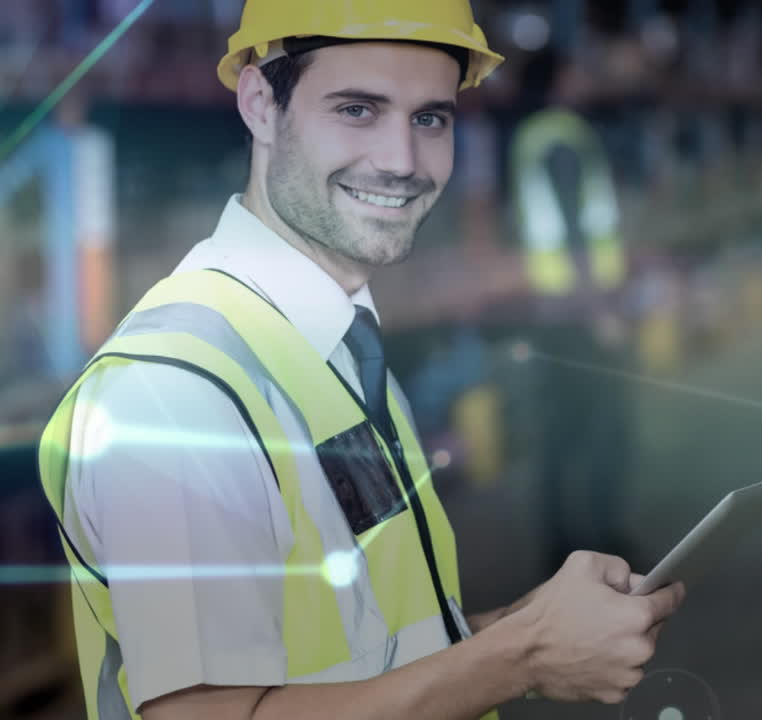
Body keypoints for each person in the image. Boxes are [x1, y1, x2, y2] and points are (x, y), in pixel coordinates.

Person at [37, 3, 685, 719]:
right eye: (357, 110)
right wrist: (521, 656)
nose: (401, 161)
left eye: (429, 118)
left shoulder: (336, 348)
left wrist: (527, 629)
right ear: (259, 104)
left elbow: (361, 650)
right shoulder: (179, 392)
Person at [507, 49, 636, 570]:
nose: (587, 76)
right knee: (606, 426)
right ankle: (602, 540)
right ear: (559, 80)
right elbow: (575, 228)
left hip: (553, 309)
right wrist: (600, 309)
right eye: (577, 69)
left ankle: (561, 544)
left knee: (561, 428)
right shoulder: (562, 136)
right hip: (579, 312)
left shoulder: (532, 135)